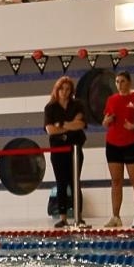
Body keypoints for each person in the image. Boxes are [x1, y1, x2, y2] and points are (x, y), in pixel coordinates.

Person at [102, 71, 134, 226]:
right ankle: (116, 217)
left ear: (129, 82)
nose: (119, 84)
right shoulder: (111, 100)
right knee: (116, 181)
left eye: (122, 81)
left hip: (131, 143)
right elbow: (105, 122)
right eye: (117, 81)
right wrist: (107, 120)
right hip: (113, 144)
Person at [44, 75, 88, 227]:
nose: (65, 92)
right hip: (57, 150)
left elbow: (81, 124)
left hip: (74, 149)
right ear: (57, 90)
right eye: (62, 89)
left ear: (71, 91)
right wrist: (70, 124)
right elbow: (50, 129)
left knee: (75, 182)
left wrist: (61, 124)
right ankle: (63, 218)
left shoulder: (78, 105)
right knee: (61, 183)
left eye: (68, 89)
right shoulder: (50, 107)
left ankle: (78, 216)